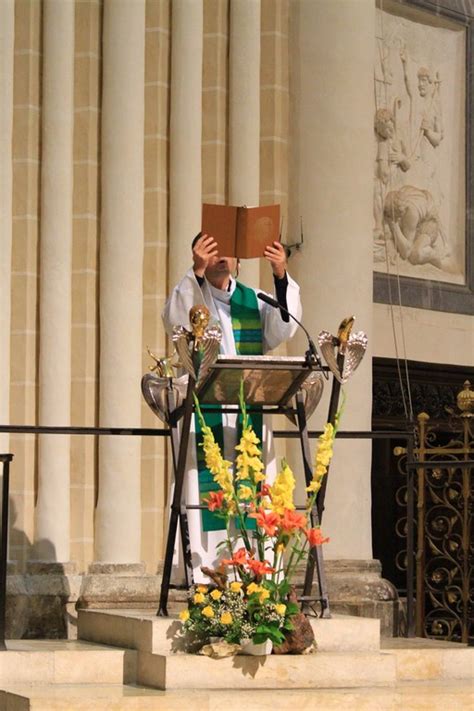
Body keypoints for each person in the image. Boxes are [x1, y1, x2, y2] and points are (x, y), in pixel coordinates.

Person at [162, 233, 302, 581]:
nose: (222, 257)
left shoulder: (253, 299)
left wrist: (280, 274)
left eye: (229, 251)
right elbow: (176, 322)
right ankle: (205, 574)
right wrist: (194, 271)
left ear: (239, 261)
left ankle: (254, 575)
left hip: (248, 417)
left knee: (252, 494)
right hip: (204, 419)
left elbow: (283, 327)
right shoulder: (192, 294)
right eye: (212, 252)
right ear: (200, 258)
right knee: (202, 490)